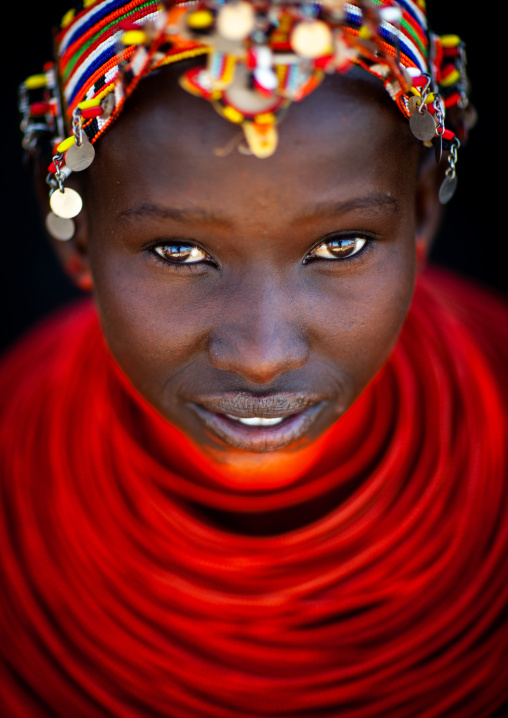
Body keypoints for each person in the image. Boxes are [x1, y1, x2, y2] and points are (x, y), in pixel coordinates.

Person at [1, 1, 507, 716]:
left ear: (422, 210)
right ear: (75, 235)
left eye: (341, 245)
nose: (263, 357)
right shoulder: (12, 479)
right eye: (179, 252)